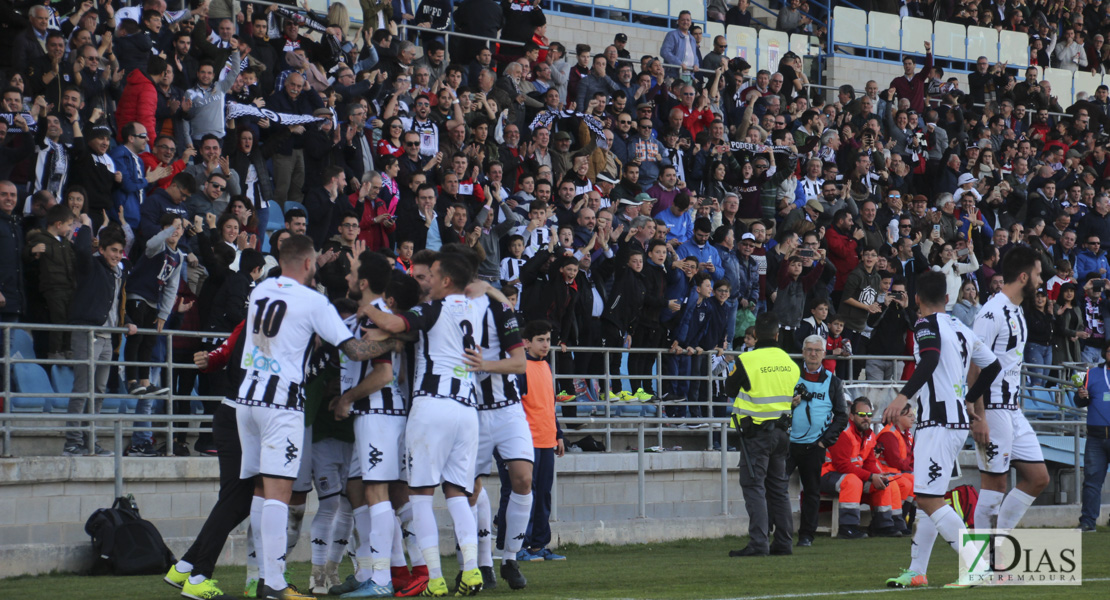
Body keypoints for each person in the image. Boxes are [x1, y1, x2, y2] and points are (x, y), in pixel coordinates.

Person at [235, 235, 395, 600]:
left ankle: (258, 576)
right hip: (281, 402)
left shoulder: (261, 290)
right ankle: (273, 584)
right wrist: (395, 341)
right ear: (310, 264)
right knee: (280, 492)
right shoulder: (312, 300)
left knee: (261, 492)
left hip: (248, 397)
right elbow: (354, 350)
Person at [360, 250, 524, 597]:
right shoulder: (476, 307)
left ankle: (434, 577)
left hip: (432, 406)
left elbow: (394, 324)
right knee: (458, 494)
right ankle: (470, 572)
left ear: (446, 280)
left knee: (420, 495)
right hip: (467, 411)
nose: (427, 281)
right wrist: (490, 289)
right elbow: (496, 306)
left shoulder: (433, 309)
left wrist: (366, 301)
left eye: (431, 275)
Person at [882, 270, 1001, 589]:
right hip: (950, 421)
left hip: (938, 422)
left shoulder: (925, 324)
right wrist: (969, 401)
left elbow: (930, 358)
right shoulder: (962, 328)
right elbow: (992, 367)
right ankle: (917, 570)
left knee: (928, 498)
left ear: (917, 299)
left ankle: (976, 565)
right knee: (927, 495)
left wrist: (902, 396)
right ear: (948, 299)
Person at [970, 247, 1052, 536]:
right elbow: (974, 366)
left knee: (1038, 477)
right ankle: (983, 558)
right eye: (1038, 275)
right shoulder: (991, 313)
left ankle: (997, 543)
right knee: (995, 486)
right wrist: (978, 416)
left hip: (1012, 409)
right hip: (991, 408)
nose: (1041, 281)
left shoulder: (1016, 310)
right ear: (1023, 276)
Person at [724, 313, 798, 557]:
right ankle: (784, 543)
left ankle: (758, 542)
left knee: (754, 486)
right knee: (778, 488)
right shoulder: (789, 362)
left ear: (755, 336)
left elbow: (730, 388)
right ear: (777, 335)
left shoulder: (747, 360)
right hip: (781, 433)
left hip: (756, 434)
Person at [787, 335, 849, 547]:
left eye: (817, 350)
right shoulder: (791, 375)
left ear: (824, 354)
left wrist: (825, 441)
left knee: (812, 491)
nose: (813, 354)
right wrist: (790, 404)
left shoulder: (833, 381)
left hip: (814, 445)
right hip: (787, 443)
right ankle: (774, 529)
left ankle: (806, 536)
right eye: (809, 350)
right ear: (803, 352)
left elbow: (842, 415)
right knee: (775, 486)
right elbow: (776, 405)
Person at [821, 397, 903, 539]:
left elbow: (870, 463)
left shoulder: (869, 435)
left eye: (869, 415)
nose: (866, 418)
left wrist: (878, 476)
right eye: (862, 415)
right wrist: (871, 477)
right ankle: (848, 528)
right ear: (851, 416)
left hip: (850, 475)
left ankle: (882, 526)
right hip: (827, 475)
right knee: (853, 481)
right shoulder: (842, 432)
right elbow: (842, 465)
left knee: (884, 482)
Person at [1076, 346, 1110, 532]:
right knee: (1091, 481)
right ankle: (1088, 522)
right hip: (1096, 437)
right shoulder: (1092, 373)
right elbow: (1080, 401)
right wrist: (1081, 396)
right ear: (1105, 353)